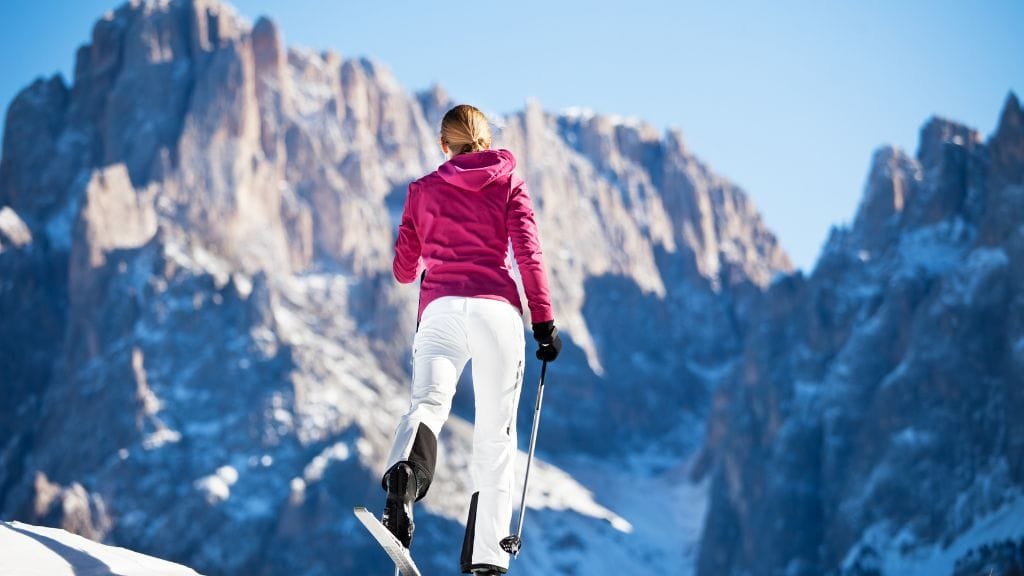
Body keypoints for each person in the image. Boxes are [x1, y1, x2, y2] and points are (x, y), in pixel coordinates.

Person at [381, 104, 562, 575]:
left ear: (445, 145)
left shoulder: (422, 190)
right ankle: (486, 561)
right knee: (495, 435)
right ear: (486, 141)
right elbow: (528, 254)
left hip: (440, 311)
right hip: (496, 314)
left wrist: (428, 242)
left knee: (428, 404)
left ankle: (404, 477)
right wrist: (544, 323)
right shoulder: (509, 183)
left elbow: (404, 271)